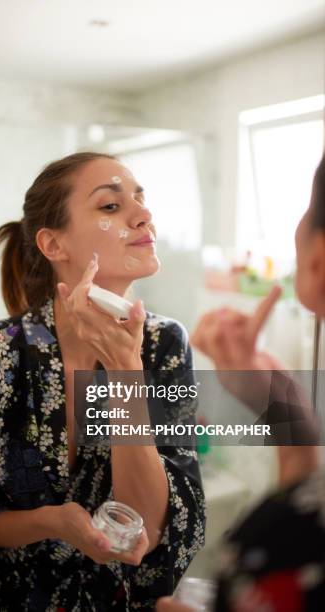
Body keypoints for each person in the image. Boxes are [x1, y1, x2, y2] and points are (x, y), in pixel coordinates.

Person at [0, 152, 205, 611]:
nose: (144, 214)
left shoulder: (163, 345)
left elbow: (154, 531)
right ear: (54, 245)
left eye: (140, 199)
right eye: (111, 207)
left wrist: (125, 371)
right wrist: (51, 522)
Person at [156, 153, 325, 611]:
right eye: (110, 206)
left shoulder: (285, 542)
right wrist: (278, 397)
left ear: (318, 261)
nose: (143, 217)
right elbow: (309, 492)